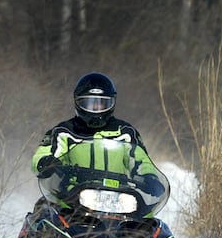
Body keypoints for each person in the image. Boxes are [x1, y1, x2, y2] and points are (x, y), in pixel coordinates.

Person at [28, 72, 169, 215]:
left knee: (154, 228)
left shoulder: (126, 133)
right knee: (43, 216)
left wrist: (150, 177)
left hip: (118, 200)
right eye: (89, 103)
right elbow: (43, 154)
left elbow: (141, 162)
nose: (96, 108)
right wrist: (46, 162)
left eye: (101, 103)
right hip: (72, 199)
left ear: (111, 103)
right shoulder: (65, 132)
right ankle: (33, 236)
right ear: (78, 102)